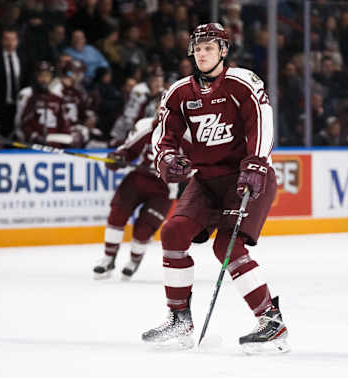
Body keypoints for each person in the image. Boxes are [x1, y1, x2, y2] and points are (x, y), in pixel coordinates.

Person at [142, 23, 289, 354]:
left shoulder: (242, 83)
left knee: (227, 246)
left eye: (209, 47)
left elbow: (262, 121)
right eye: (198, 47)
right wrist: (165, 159)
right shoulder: (179, 92)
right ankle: (180, 320)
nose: (202, 52)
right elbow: (162, 134)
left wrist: (255, 163)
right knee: (174, 233)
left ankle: (271, 321)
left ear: (224, 51)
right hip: (206, 180)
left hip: (246, 178)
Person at [92, 113, 182, 279]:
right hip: (138, 179)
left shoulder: (188, 135)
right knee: (117, 214)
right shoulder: (146, 126)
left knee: (143, 229)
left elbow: (194, 166)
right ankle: (109, 257)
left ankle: (134, 260)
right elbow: (128, 150)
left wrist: (180, 172)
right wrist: (118, 158)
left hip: (164, 189)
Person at [15, 61, 67, 145]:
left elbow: (63, 123)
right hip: (35, 145)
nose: (44, 79)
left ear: (51, 77)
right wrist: (34, 137)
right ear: (36, 77)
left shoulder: (57, 98)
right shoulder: (30, 97)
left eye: (47, 76)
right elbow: (23, 124)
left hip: (55, 145)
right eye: (41, 76)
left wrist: (66, 139)